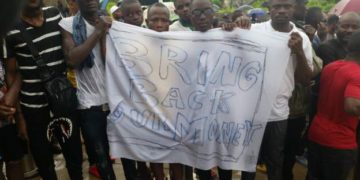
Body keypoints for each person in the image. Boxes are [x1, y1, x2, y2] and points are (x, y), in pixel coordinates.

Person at [2, 0, 83, 179]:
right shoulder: (10, 30)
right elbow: (11, 73)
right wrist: (20, 117)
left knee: (74, 153)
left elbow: (69, 50)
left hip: (63, 100)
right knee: (43, 160)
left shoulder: (55, 14)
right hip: (33, 106)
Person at [241, 0, 313, 180]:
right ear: (269, 9)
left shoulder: (301, 38)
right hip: (251, 111)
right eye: (276, 6)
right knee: (247, 161)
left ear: (293, 9)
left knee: (275, 160)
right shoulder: (254, 30)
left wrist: (299, 52)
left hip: (278, 112)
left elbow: (305, 80)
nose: (281, 11)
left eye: (286, 6)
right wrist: (232, 26)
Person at [59, 0, 117, 179]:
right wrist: (98, 32)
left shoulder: (112, 22)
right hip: (89, 103)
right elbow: (72, 59)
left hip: (117, 99)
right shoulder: (68, 24)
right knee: (101, 158)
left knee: (123, 154)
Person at [307, 31, 360, 180]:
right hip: (339, 143)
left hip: (317, 133)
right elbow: (352, 106)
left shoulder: (331, 66)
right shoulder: (357, 74)